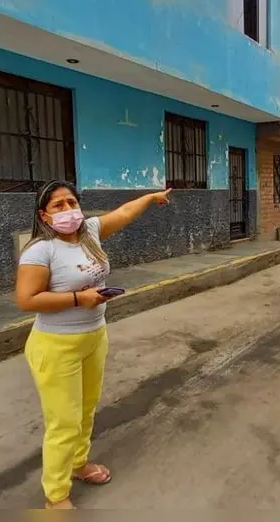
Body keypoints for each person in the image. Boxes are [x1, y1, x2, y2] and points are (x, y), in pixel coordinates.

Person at [15, 180, 172, 509]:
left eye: (71, 202)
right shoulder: (41, 250)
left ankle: (78, 464)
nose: (68, 209)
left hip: (94, 336)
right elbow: (26, 299)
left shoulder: (89, 232)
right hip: (56, 345)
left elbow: (125, 212)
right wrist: (77, 298)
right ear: (44, 215)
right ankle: (55, 495)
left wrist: (151, 197)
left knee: (85, 410)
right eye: (58, 205)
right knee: (63, 421)